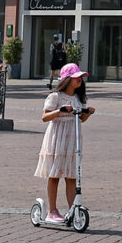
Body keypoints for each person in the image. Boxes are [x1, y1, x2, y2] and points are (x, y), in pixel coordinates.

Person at [32, 63, 92, 226]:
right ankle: (52, 210)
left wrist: (88, 113)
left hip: (73, 139)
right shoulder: (56, 96)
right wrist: (60, 111)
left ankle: (74, 210)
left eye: (80, 77)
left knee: (72, 176)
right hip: (57, 138)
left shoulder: (80, 98)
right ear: (67, 80)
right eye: (75, 77)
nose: (79, 80)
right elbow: (45, 117)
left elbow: (81, 119)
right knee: (55, 174)